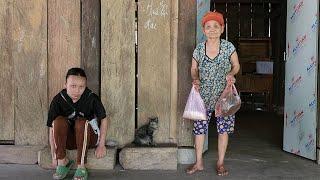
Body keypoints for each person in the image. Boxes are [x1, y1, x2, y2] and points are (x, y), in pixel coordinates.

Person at [186, 11, 240, 176]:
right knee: (199, 129)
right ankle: (199, 162)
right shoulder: (199, 49)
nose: (212, 29)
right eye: (208, 27)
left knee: (223, 130)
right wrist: (195, 78)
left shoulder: (228, 47)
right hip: (203, 95)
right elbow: (194, 68)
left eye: (216, 26)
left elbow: (236, 65)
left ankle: (220, 163)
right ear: (204, 30)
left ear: (222, 29)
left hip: (224, 95)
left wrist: (232, 74)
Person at [47, 67, 108, 180]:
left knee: (81, 122)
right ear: (65, 85)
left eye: (81, 87)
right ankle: (62, 162)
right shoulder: (58, 100)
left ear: (86, 86)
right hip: (69, 141)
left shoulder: (91, 98)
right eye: (73, 86)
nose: (77, 90)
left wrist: (101, 145)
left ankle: (81, 167)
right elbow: (52, 128)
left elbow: (104, 119)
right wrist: (54, 155)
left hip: (89, 138)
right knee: (58, 120)